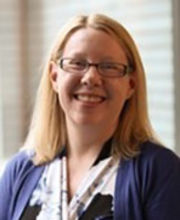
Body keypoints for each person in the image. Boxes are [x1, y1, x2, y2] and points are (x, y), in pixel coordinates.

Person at [0, 13, 180, 220]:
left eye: (109, 66)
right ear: (54, 76)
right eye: (77, 63)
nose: (91, 77)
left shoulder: (160, 172)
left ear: (131, 84)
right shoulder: (19, 171)